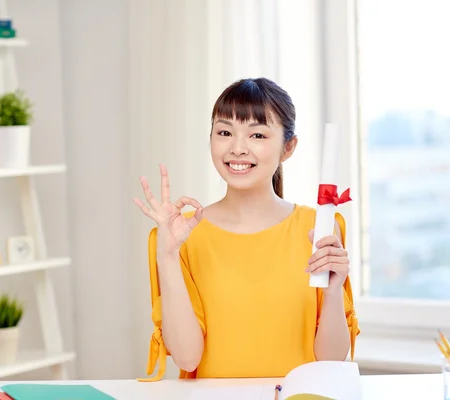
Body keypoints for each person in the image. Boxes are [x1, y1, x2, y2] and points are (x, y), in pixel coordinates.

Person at [133, 77, 359, 382]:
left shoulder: (319, 228)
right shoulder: (183, 235)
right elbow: (187, 358)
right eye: (225, 132)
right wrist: (168, 255)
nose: (238, 148)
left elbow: (331, 359)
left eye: (257, 135)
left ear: (288, 147)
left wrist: (333, 291)